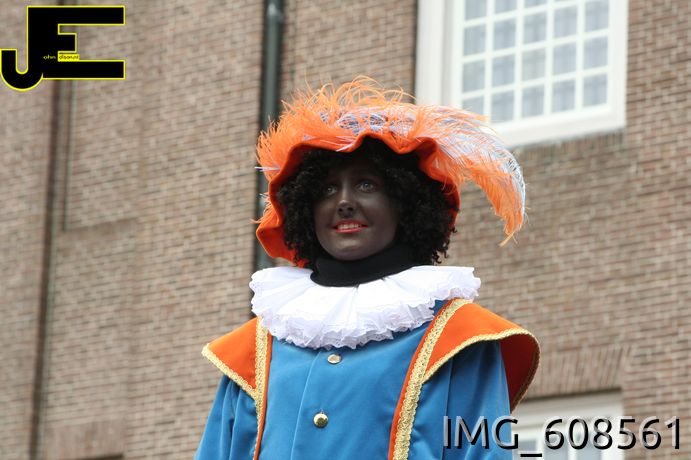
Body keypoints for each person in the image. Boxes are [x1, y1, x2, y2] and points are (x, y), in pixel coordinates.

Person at [195, 79, 539, 459]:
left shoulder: (461, 337)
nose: (343, 202)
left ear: (404, 203)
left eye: (366, 185)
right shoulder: (253, 348)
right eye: (326, 190)